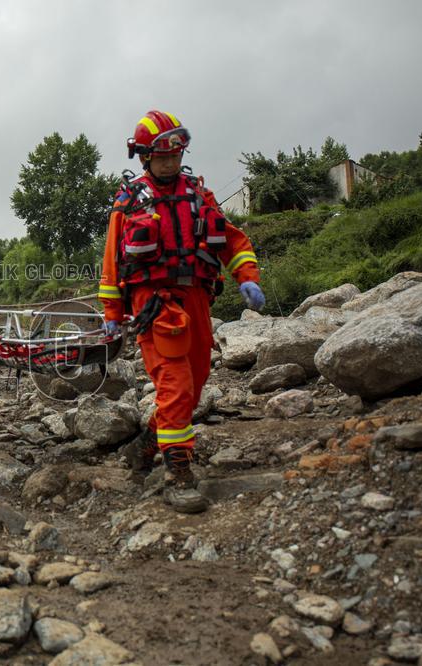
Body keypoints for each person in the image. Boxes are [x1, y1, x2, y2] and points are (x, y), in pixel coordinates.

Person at [99, 110, 265, 513]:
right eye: (162, 155)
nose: (171, 162)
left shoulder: (198, 195)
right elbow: (111, 264)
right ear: (145, 157)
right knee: (175, 384)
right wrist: (110, 315)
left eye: (176, 153)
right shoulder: (129, 201)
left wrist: (247, 274)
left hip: (197, 300)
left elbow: (232, 240)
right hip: (154, 303)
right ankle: (178, 473)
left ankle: (146, 444)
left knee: (194, 385)